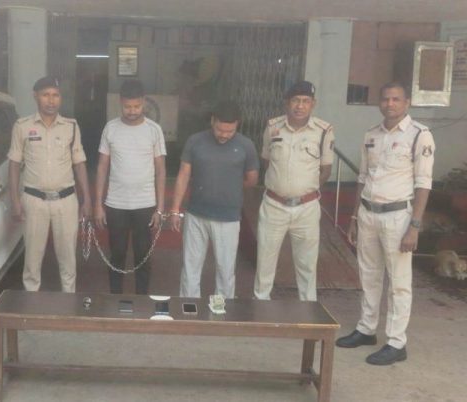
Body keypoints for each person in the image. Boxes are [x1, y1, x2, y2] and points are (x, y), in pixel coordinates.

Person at [335, 82, 435, 365]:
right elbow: (363, 177)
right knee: (369, 275)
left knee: (399, 282)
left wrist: (414, 226)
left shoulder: (419, 135)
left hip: (398, 216)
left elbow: (423, 183)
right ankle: (366, 329)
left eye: (396, 99)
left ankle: (396, 342)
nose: (390, 104)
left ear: (407, 102)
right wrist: (354, 217)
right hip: (368, 213)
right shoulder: (372, 134)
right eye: (385, 99)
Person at [8, 76, 92, 293]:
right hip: (34, 200)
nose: (51, 100)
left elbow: (79, 164)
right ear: (35, 96)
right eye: (46, 95)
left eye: (55, 95)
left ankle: (68, 303)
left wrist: (87, 199)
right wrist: (15, 200)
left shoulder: (71, 126)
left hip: (66, 201)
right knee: (32, 261)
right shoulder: (22, 127)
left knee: (68, 259)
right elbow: (14, 165)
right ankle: (31, 303)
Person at [168, 101, 258, 299]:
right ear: (212, 121)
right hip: (196, 214)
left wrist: (229, 187)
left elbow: (251, 179)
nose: (224, 135)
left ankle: (222, 309)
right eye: (220, 130)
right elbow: (183, 174)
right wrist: (175, 208)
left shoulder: (246, 146)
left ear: (238, 125)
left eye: (230, 131)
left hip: (228, 218)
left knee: (225, 270)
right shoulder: (195, 141)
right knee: (191, 267)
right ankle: (189, 307)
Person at [254, 81, 335, 301]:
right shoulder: (273, 127)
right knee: (265, 260)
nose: (300, 106)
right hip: (274, 205)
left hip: (306, 208)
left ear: (313, 104)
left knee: (307, 263)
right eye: (296, 101)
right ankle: (260, 304)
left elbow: (326, 170)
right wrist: (283, 186)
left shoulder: (323, 131)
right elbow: (267, 161)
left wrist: (303, 190)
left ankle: (308, 307)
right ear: (287, 103)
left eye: (305, 101)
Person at [93, 79, 166, 294]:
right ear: (120, 102)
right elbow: (102, 168)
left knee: (143, 255)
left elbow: (161, 170)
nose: (132, 111)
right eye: (127, 106)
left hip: (145, 204)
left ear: (143, 102)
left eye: (136, 106)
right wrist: (98, 205)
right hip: (116, 204)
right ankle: (115, 298)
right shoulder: (111, 128)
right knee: (117, 254)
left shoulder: (154, 130)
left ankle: (141, 298)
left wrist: (160, 208)